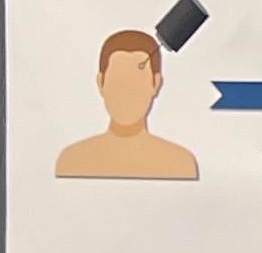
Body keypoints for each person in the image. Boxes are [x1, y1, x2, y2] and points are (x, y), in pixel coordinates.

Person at [55, 27, 199, 179]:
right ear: (101, 82)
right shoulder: (72, 160)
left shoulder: (181, 163)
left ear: (155, 84)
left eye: (137, 80)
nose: (127, 90)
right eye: (119, 80)